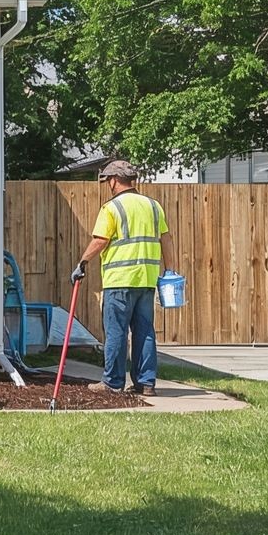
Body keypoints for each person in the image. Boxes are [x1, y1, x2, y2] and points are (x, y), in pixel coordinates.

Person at [72, 159, 174, 395]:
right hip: (147, 281)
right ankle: (146, 383)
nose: (107, 184)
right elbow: (166, 239)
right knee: (145, 331)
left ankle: (112, 382)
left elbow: (100, 240)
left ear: (115, 180)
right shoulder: (153, 206)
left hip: (119, 281)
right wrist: (169, 270)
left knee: (116, 332)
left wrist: (82, 262)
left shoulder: (112, 208)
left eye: (108, 179)